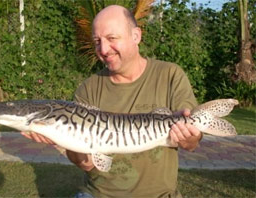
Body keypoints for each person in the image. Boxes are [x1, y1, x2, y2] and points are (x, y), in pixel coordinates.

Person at [22, 5, 202, 198]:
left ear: (136, 36)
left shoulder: (170, 74)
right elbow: (87, 164)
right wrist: (62, 140)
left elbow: (191, 144)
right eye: (97, 41)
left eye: (111, 38)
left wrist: (189, 135)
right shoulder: (88, 88)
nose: (103, 49)